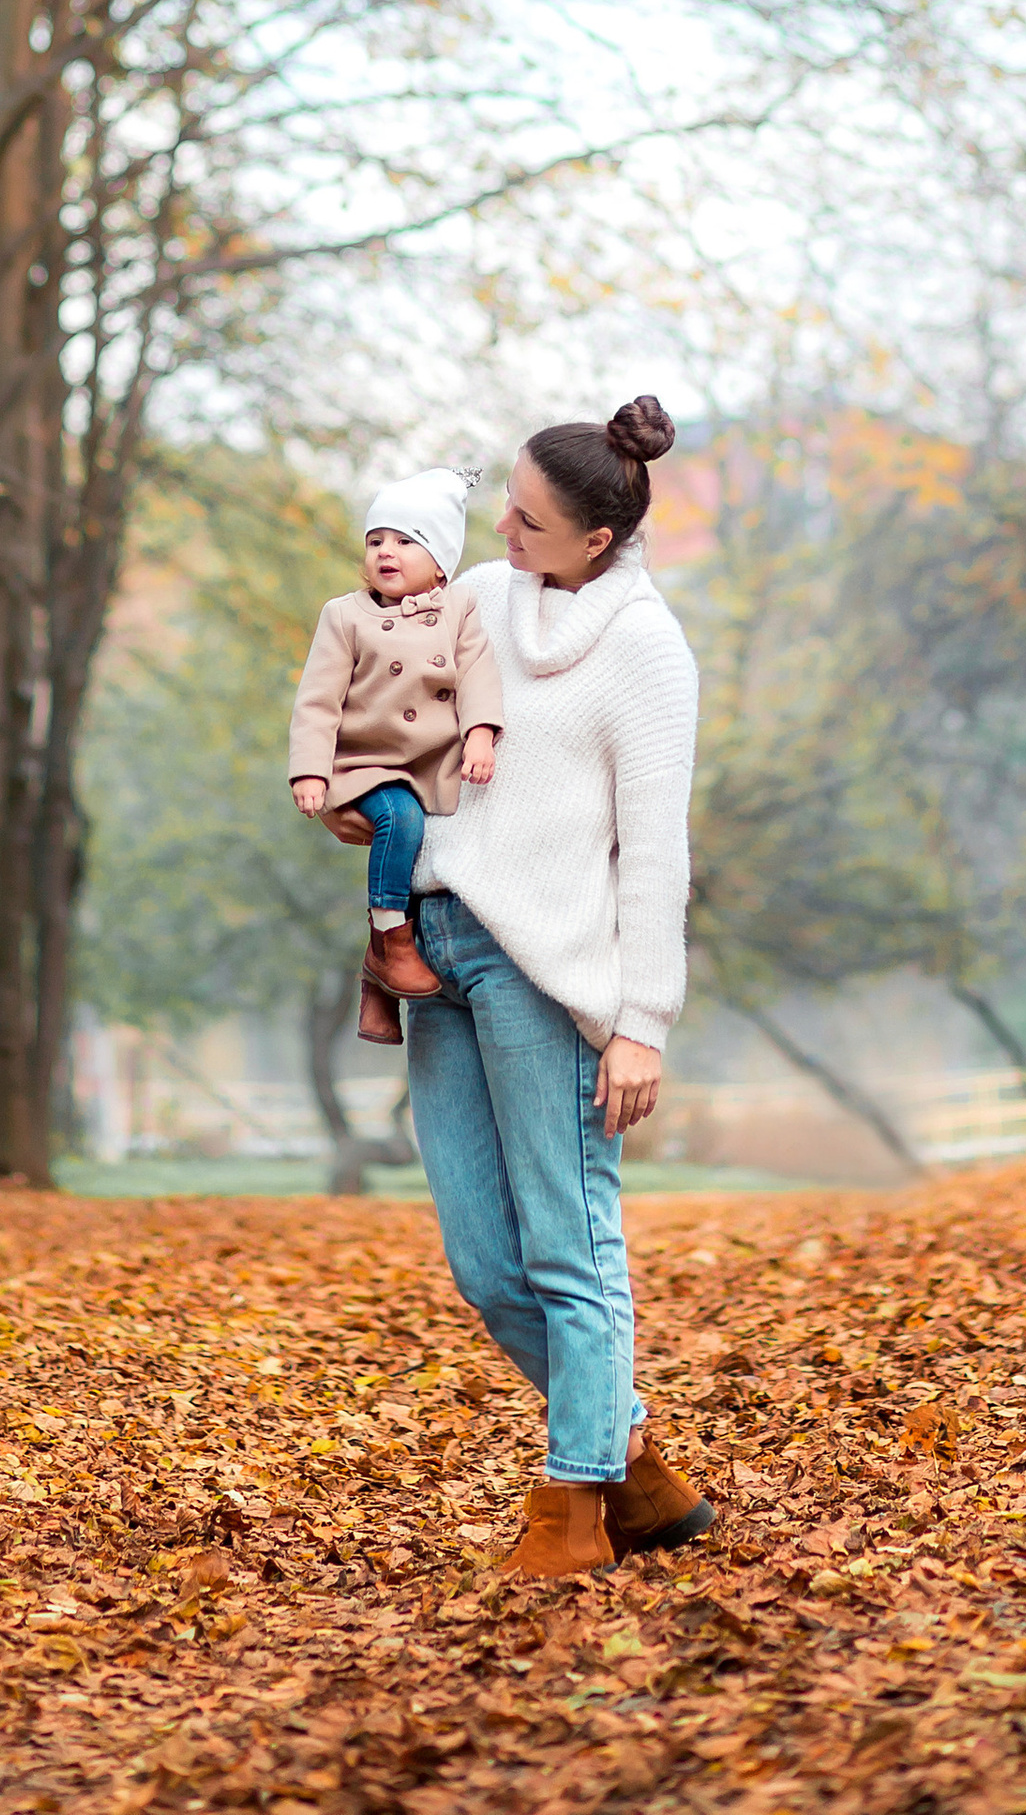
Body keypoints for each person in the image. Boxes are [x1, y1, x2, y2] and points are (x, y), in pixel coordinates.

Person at [397, 393, 717, 1585]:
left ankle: (574, 1503)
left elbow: (656, 848)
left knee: (570, 1251)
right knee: (485, 1264)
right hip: (441, 949)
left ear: (599, 540)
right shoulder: (480, 597)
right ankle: (628, 1455)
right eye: (509, 510)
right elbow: (407, 722)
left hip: (552, 978)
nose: (508, 534)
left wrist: (642, 1024)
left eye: (530, 521)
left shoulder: (645, 650)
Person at [288, 466, 503, 1036]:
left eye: (407, 541)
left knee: (408, 855)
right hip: (365, 763)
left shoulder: (459, 608)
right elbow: (318, 701)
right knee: (400, 822)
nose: (387, 551)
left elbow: (479, 674)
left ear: (440, 562)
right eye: (376, 539)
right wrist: (310, 772)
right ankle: (390, 938)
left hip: (430, 762)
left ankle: (375, 981)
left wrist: (480, 733)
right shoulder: (344, 616)